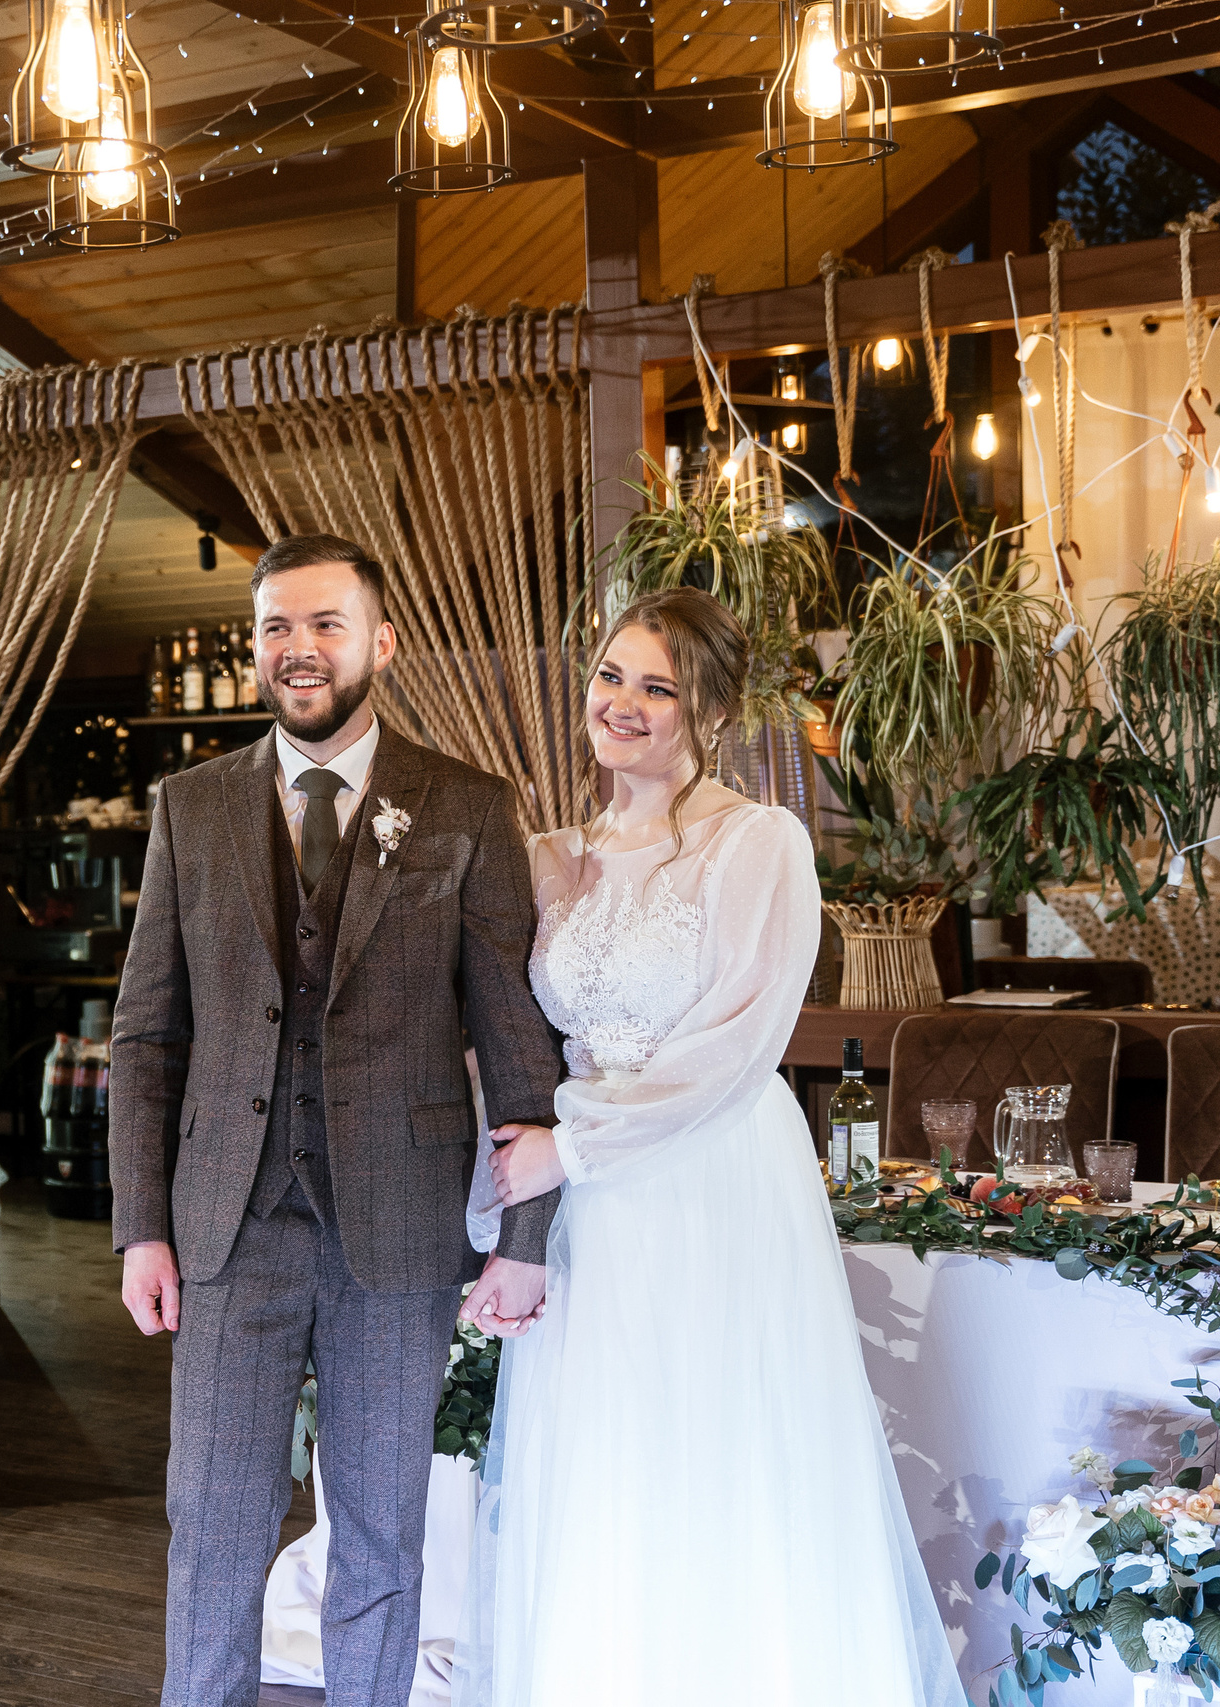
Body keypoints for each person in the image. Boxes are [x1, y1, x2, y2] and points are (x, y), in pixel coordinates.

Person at [460, 588, 962, 1707]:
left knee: (714, 1455)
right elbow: (505, 1037)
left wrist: (569, 1147)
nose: (622, 705)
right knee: (602, 1467)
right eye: (609, 677)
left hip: (708, 1181)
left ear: (710, 712)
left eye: (657, 687)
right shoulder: (547, 856)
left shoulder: (757, 843)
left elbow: (740, 1043)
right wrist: (503, 1215)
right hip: (589, 1213)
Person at [107, 534, 564, 1707]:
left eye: (323, 625)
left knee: (379, 1532)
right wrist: (139, 1229)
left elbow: (516, 1040)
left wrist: (523, 1241)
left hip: (397, 1234)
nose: (296, 650)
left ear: (380, 643)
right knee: (210, 1525)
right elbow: (148, 1035)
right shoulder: (188, 807)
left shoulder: (465, 806)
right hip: (226, 1229)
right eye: (274, 628)